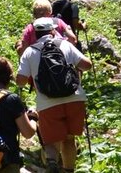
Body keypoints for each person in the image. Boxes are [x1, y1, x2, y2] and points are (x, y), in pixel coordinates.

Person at [17, 18, 92, 173]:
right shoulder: (65, 45)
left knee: (51, 141)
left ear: (36, 34)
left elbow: (21, 82)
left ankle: (52, 163)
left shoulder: (29, 52)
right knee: (69, 139)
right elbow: (87, 65)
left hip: (47, 103)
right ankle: (68, 170)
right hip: (74, 98)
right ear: (52, 31)